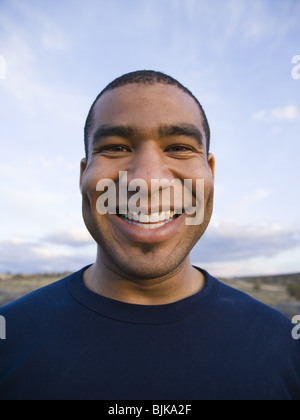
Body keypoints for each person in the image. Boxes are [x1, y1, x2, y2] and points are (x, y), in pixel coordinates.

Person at [0, 70, 299, 400]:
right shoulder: (9, 338)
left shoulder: (285, 346)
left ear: (210, 172)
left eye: (178, 147)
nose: (148, 179)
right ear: (83, 174)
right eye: (115, 147)